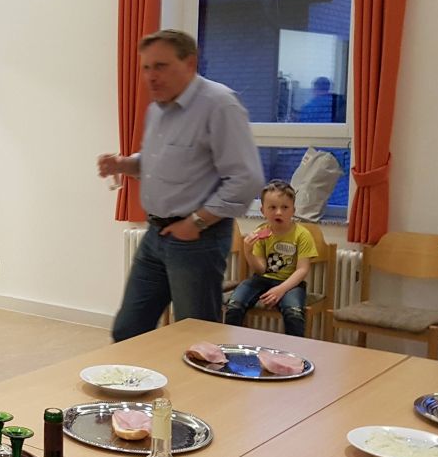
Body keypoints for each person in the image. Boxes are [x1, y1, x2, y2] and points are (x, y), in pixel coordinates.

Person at [98, 29, 263, 342]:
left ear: (189, 63)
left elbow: (247, 178)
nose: (151, 76)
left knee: (196, 340)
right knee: (128, 330)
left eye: (160, 66)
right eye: (146, 67)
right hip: (156, 235)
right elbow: (160, 162)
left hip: (198, 238)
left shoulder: (219, 104)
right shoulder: (157, 110)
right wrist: (124, 164)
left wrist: (196, 222)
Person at [224, 180, 317, 337]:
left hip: (290, 283)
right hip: (262, 279)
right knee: (234, 306)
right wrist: (248, 251)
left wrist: (281, 289)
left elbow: (302, 270)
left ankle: (293, 351)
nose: (278, 212)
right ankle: (230, 344)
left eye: (285, 207)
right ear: (263, 211)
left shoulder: (302, 235)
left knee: (294, 313)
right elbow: (261, 269)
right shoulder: (261, 232)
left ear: (293, 210)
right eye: (272, 207)